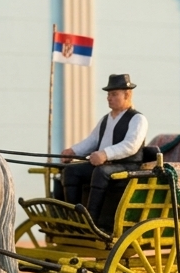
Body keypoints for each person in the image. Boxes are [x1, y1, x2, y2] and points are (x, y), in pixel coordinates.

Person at [59, 74, 148, 222]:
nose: (109, 98)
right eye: (108, 94)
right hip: (106, 166)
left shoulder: (138, 119)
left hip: (128, 166)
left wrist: (105, 154)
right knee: (71, 171)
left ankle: (92, 219)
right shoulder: (106, 119)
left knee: (100, 172)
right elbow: (92, 141)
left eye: (114, 94)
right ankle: (73, 217)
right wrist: (73, 151)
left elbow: (131, 145)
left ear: (127, 94)